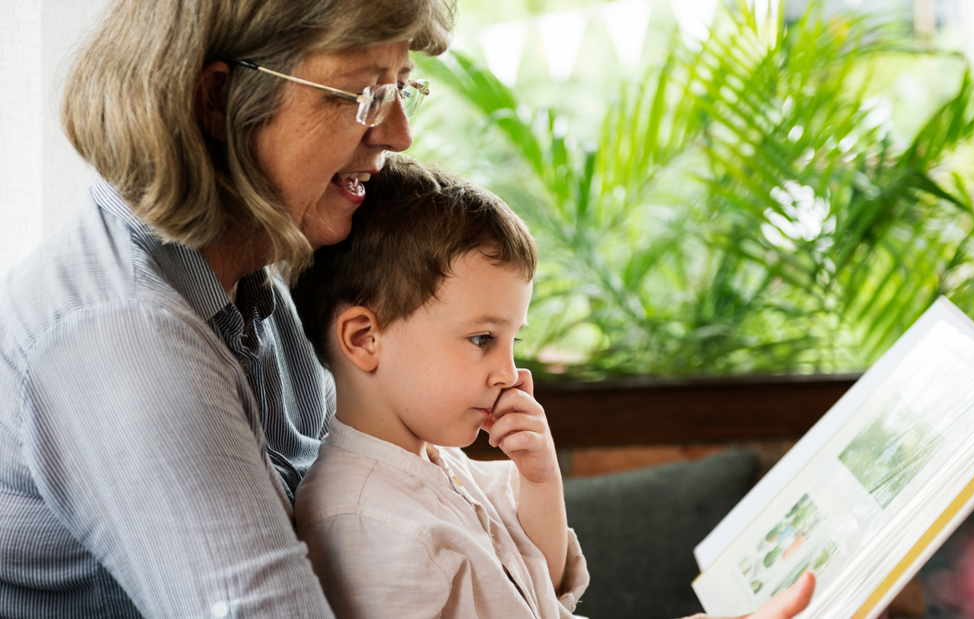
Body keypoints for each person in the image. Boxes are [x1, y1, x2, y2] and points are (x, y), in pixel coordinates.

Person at [0, 0, 812, 617]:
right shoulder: (124, 339)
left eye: (399, 87)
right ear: (219, 101)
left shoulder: (259, 290)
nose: (398, 130)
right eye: (361, 94)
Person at [288, 154, 815, 619]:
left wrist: (540, 481)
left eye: (511, 340)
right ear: (364, 339)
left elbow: (538, 587)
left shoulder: (436, 462)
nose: (507, 372)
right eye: (481, 338)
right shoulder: (364, 523)